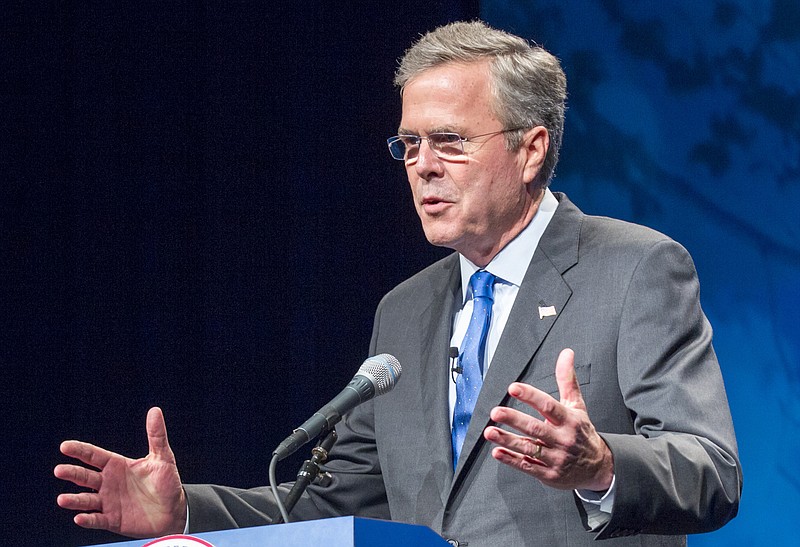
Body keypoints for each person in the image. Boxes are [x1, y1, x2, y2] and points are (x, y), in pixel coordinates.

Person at [55, 21, 742, 545]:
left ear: (531, 149)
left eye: (449, 141)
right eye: (409, 144)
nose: (422, 166)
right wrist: (185, 511)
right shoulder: (406, 310)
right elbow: (336, 497)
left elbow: (711, 469)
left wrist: (599, 466)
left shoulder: (636, 267)